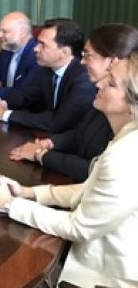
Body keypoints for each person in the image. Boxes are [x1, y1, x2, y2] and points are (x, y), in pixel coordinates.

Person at [0, 52, 138, 288]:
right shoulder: (127, 138)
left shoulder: (125, 155)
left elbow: (78, 227)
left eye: (112, 83)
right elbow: (89, 189)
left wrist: (10, 204)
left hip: (100, 280)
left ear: (133, 104)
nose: (99, 84)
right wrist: (26, 192)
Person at [9, 24, 138, 181]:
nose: (82, 62)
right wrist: (49, 143)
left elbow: (94, 169)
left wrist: (40, 155)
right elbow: (81, 134)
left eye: (88, 55)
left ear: (112, 61)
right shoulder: (102, 95)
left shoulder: (122, 110)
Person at [0, 18, 96, 133]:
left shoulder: (83, 79)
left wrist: (4, 114)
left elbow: (57, 122)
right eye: (38, 42)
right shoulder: (46, 69)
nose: (36, 49)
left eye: (43, 45)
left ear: (64, 52)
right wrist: (0, 104)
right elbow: (25, 95)